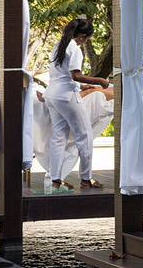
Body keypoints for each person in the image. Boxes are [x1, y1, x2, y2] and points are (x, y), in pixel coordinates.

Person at [43, 19, 110, 190]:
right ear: (81, 36)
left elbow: (61, 74)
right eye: (87, 38)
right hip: (66, 96)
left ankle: (56, 180)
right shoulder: (75, 49)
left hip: (52, 94)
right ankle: (86, 179)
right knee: (85, 137)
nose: (86, 41)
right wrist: (99, 80)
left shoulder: (59, 45)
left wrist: (84, 86)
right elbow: (75, 75)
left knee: (58, 138)